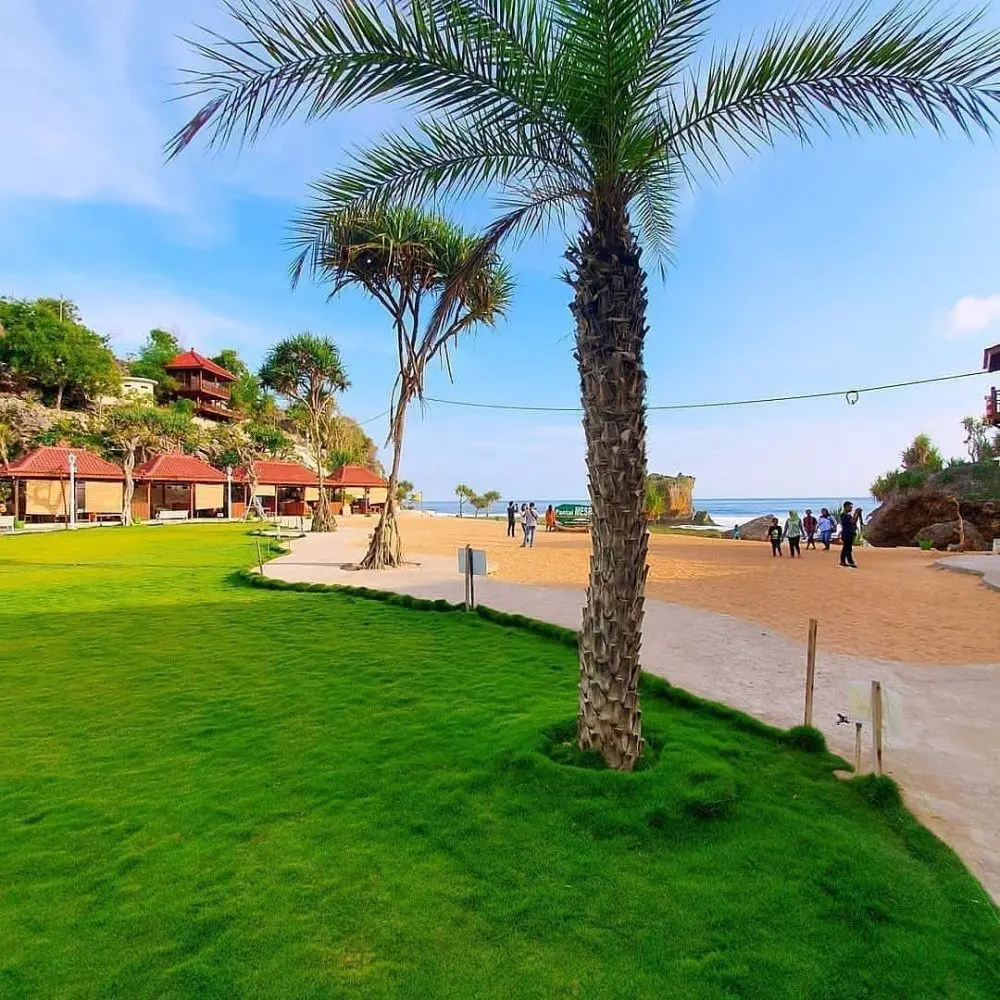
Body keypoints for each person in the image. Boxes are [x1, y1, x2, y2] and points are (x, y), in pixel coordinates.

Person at [840, 501, 858, 568]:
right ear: (845, 507)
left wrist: (857, 516)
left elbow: (853, 522)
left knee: (849, 548)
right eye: (849, 507)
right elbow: (852, 521)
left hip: (850, 533)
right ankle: (843, 561)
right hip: (846, 534)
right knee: (846, 548)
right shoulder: (843, 515)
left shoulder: (849, 515)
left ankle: (849, 561)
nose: (851, 508)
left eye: (851, 507)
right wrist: (856, 513)